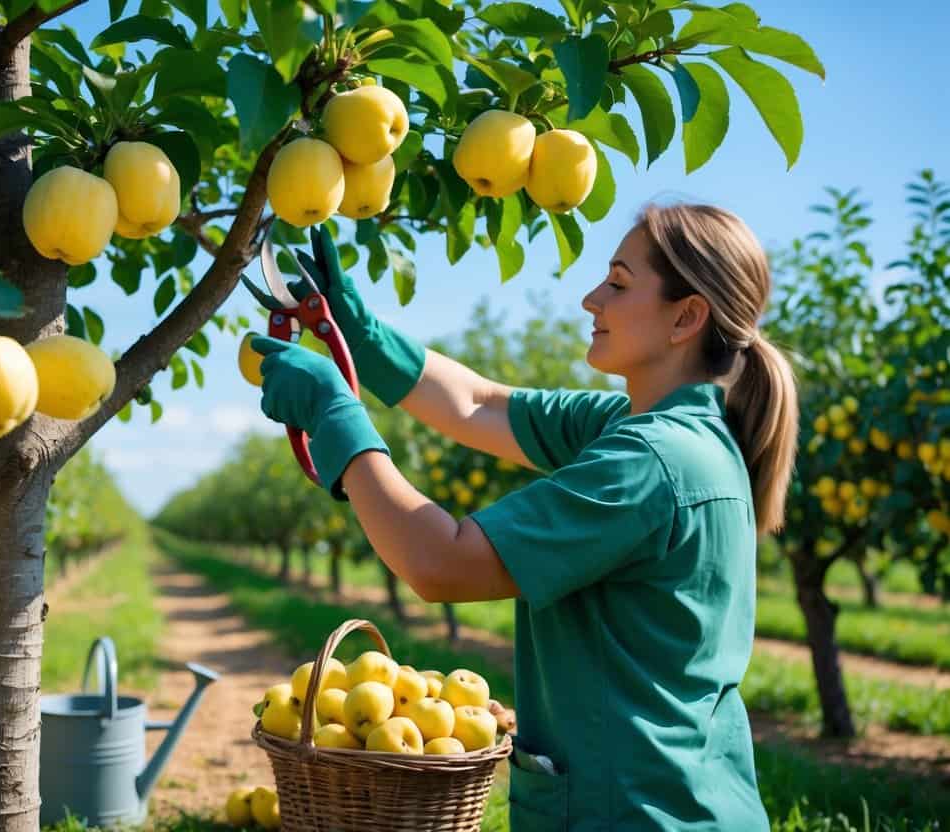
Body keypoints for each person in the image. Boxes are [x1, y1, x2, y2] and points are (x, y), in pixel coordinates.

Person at [249, 203, 797, 831]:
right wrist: (359, 335)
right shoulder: (662, 432)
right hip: (689, 800)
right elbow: (477, 404)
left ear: (687, 317)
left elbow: (442, 564)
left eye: (618, 283)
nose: (592, 299)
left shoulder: (648, 460)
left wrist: (334, 416)